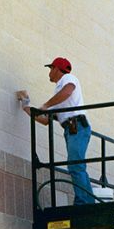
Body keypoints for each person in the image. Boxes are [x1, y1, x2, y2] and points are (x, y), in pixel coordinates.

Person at [17, 57, 95, 205]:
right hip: (71, 129)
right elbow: (46, 120)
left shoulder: (68, 78)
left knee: (75, 165)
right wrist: (27, 107)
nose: (49, 72)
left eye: (50, 68)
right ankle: (87, 201)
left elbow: (67, 91)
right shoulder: (58, 97)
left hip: (77, 126)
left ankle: (84, 202)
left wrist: (46, 105)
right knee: (76, 165)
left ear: (57, 69)